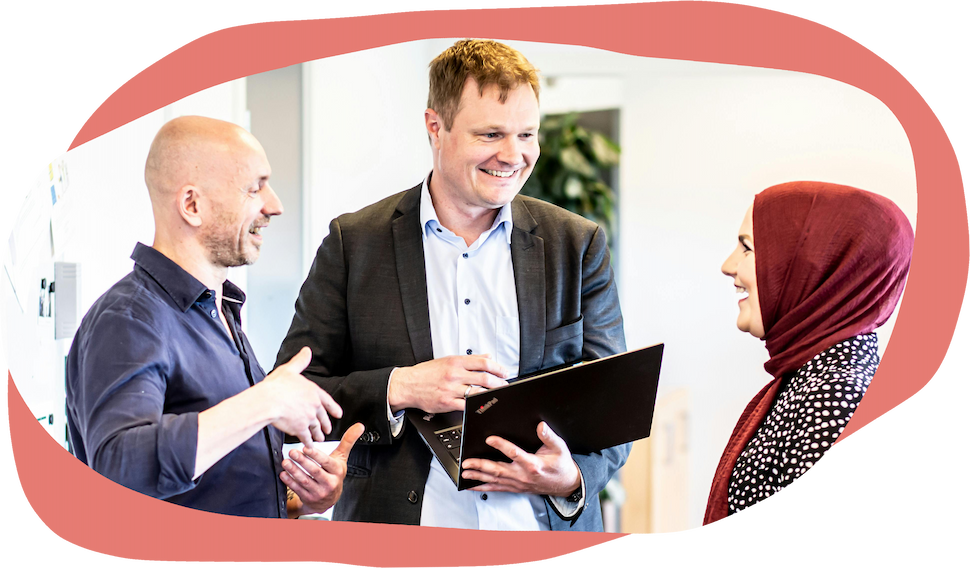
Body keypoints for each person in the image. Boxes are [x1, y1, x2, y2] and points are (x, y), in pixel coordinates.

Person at [276, 39, 628, 531]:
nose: (514, 155)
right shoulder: (354, 244)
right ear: (435, 127)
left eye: (527, 134)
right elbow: (293, 390)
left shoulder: (577, 244)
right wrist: (400, 387)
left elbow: (615, 406)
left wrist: (570, 477)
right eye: (491, 134)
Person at [65, 116, 364, 518]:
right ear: (192, 205)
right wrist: (266, 400)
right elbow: (119, 465)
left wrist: (302, 501)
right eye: (254, 188)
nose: (274, 206)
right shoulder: (128, 318)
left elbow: (215, 489)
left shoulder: (219, 311)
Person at [703, 181, 914, 562]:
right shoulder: (816, 375)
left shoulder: (838, 397)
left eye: (747, 248)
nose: (728, 265)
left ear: (811, 265)